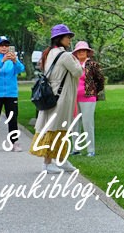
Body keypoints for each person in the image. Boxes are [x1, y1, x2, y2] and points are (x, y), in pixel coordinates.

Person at [29, 24, 82, 173]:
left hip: (51, 94)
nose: (69, 40)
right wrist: (77, 60)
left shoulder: (48, 53)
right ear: (59, 38)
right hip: (61, 96)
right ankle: (48, 162)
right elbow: (78, 71)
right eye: (67, 37)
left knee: (57, 127)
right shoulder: (65, 55)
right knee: (56, 128)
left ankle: (61, 159)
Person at [0, 35, 25, 152]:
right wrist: (2, 60)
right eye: (1, 45)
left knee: (12, 118)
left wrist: (15, 61)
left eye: (6, 45)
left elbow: (21, 69)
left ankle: (15, 142)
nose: (4, 48)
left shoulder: (13, 60)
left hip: (11, 94)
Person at [71, 41, 104, 157]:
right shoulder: (73, 64)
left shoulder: (92, 65)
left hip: (88, 98)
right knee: (74, 123)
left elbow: (100, 79)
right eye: (79, 51)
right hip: (74, 98)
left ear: (87, 52)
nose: (81, 53)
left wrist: (94, 91)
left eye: (83, 51)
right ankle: (76, 148)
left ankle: (91, 149)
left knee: (87, 123)